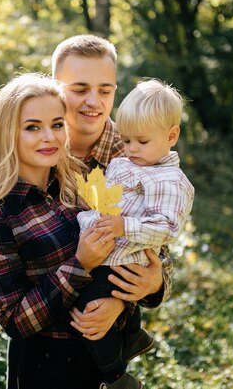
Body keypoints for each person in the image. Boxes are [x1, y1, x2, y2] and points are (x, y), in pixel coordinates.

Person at [0, 73, 125, 388]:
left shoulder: (78, 190)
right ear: (7, 134)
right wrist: (80, 265)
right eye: (32, 127)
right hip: (48, 370)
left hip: (105, 363)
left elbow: (123, 254)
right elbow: (14, 319)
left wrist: (119, 304)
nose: (49, 137)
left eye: (57, 124)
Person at [51, 35, 172, 350]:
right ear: (55, 88)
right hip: (45, 329)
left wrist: (126, 299)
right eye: (79, 90)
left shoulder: (137, 152)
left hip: (107, 333)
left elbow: (160, 243)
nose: (94, 101)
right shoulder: (39, 150)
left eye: (105, 90)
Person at [73, 79, 195, 388]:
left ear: (171, 136)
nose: (130, 149)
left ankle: (117, 378)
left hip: (124, 255)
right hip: (107, 249)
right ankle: (132, 335)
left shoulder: (168, 180)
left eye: (141, 141)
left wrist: (122, 225)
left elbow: (167, 227)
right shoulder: (127, 161)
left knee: (88, 310)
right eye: (126, 140)